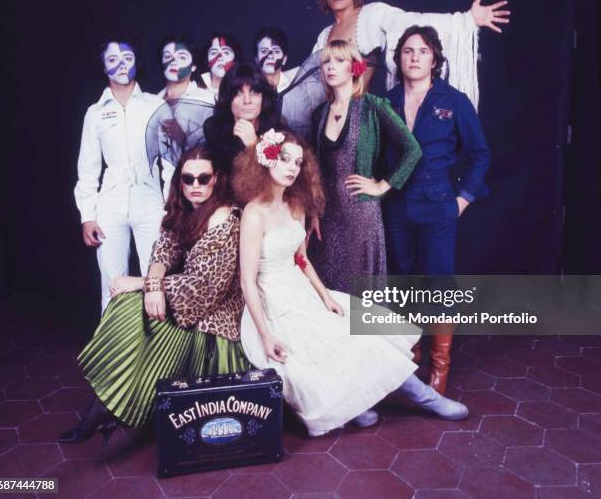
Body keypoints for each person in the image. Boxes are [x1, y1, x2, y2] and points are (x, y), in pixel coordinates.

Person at [234, 129, 468, 437]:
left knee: (362, 329)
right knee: (333, 347)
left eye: (297, 162)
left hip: (302, 291)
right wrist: (265, 335)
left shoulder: (296, 204)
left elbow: (301, 259)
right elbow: (247, 282)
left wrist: (325, 297)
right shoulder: (254, 213)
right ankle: (355, 406)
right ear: (266, 161)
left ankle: (427, 398)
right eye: (284, 159)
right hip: (271, 303)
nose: (291, 167)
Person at [60, 146, 250, 444]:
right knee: (128, 308)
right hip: (189, 298)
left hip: (213, 315)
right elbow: (164, 247)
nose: (196, 186)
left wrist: (143, 283)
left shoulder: (226, 219)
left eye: (203, 178)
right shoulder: (186, 209)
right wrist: (154, 283)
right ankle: (107, 406)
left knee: (144, 322)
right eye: (188, 179)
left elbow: (205, 290)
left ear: (216, 179)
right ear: (180, 182)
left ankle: (107, 411)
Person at [384, 25, 491, 394]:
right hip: (396, 205)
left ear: (434, 58)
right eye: (408, 51)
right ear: (398, 58)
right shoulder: (387, 101)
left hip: (438, 206)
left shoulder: (453, 100)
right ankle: (410, 359)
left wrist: (462, 200)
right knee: (402, 282)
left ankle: (439, 369)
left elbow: (480, 154)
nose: (414, 57)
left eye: (423, 51)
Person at [312, 0, 510, 107]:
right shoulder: (325, 35)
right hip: (331, 112)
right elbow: (306, 80)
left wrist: (467, 19)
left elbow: (417, 20)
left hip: (359, 111)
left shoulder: (372, 13)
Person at [307, 39, 421, 292]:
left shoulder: (373, 106)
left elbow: (412, 149)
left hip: (360, 214)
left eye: (339, 60)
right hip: (326, 216)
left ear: (355, 68)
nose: (331, 67)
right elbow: (314, 169)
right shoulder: (319, 113)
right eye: (326, 61)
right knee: (328, 290)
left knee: (359, 291)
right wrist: (313, 211)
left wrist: (382, 185)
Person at [74, 37, 171, 313]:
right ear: (104, 67)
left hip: (150, 197)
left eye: (127, 58)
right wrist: (88, 215)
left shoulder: (155, 105)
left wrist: (170, 205)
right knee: (112, 279)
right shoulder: (95, 113)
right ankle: (113, 349)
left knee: (156, 277)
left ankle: (156, 348)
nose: (121, 65)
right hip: (111, 202)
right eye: (113, 59)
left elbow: (170, 161)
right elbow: (88, 167)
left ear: (136, 62)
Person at [203, 62, 284, 176]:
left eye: (254, 92)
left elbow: (279, 178)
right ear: (227, 98)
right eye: (238, 93)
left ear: (263, 97)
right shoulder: (214, 128)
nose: (247, 101)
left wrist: (254, 144)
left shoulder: (278, 131)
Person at [157, 34, 207, 101]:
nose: (173, 62)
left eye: (182, 57)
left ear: (193, 66)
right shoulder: (154, 101)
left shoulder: (205, 99)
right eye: (168, 56)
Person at [198, 32, 243, 103]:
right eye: (213, 52)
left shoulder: (244, 91)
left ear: (235, 59)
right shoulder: (195, 87)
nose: (220, 57)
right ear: (206, 60)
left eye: (226, 52)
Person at [253, 26, 297, 92]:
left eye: (276, 51)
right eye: (264, 51)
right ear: (256, 59)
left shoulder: (295, 83)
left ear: (284, 59)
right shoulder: (249, 88)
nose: (270, 56)